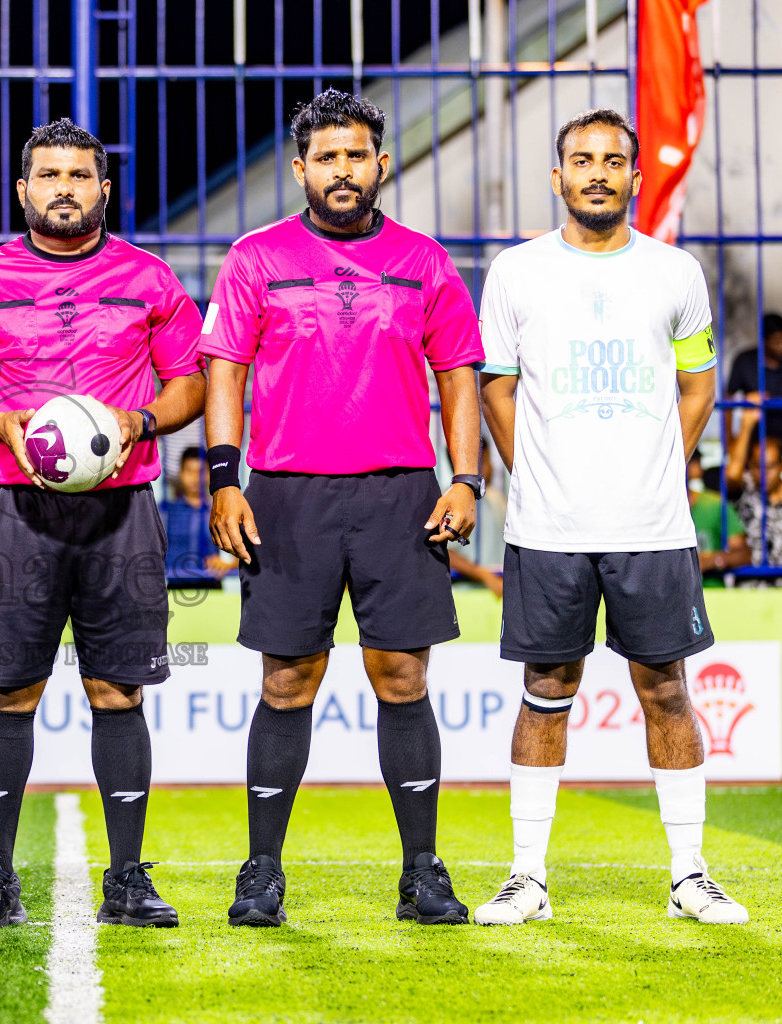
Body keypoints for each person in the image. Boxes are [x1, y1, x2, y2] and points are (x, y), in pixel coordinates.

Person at [204, 89, 482, 927]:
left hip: (401, 493)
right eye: (326, 157)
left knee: (402, 676)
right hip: (286, 496)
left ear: (381, 163)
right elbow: (224, 370)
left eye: (356, 154)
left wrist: (466, 478)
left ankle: (423, 873)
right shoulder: (255, 259)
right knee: (288, 680)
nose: (342, 169)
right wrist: (224, 477)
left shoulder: (426, 262)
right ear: (300, 170)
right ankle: (261, 874)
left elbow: (460, 373)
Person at [474, 109, 746, 925]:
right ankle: (527, 878)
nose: (598, 172)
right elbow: (495, 386)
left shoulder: (675, 272)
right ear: (557, 177)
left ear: (635, 177)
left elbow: (697, 384)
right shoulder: (516, 272)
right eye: (581, 160)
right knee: (545, 689)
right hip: (549, 530)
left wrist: (666, 458)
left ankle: (689, 874)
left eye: (613, 161)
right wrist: (538, 470)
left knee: (666, 690)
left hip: (653, 527)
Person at [0, 119, 205, 929]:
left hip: (121, 507)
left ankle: (126, 878)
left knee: (116, 689)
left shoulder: (150, 279)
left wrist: (142, 421)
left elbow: (189, 382)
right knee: (9, 690)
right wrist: (0, 424)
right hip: (15, 507)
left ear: (103, 189)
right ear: (23, 191)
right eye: (48, 174)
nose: (64, 187)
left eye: (80, 175)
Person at [725, 312, 782, 487]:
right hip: (758, 420)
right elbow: (728, 400)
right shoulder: (745, 361)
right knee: (741, 458)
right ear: (764, 341)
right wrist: (729, 437)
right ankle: (745, 498)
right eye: (776, 341)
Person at [726, 426, 782, 583]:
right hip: (750, 589)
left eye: (770, 466)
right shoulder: (746, 492)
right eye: (757, 466)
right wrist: (747, 423)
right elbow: (732, 474)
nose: (763, 473)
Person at [449, 437, 508, 596]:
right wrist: (484, 576)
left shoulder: (496, 499)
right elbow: (445, 552)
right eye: (485, 461)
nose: (491, 466)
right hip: (464, 594)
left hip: (497, 594)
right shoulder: (448, 501)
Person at [164, 445, 228, 587]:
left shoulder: (219, 511)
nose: (194, 477)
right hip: (176, 588)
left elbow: (242, 552)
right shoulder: (166, 512)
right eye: (189, 471)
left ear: (209, 474)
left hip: (212, 588)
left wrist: (229, 564)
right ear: (180, 473)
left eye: (200, 471)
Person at [688, 452, 748, 585]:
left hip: (711, 598)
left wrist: (712, 561)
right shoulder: (651, 508)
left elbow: (744, 554)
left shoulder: (716, 505)